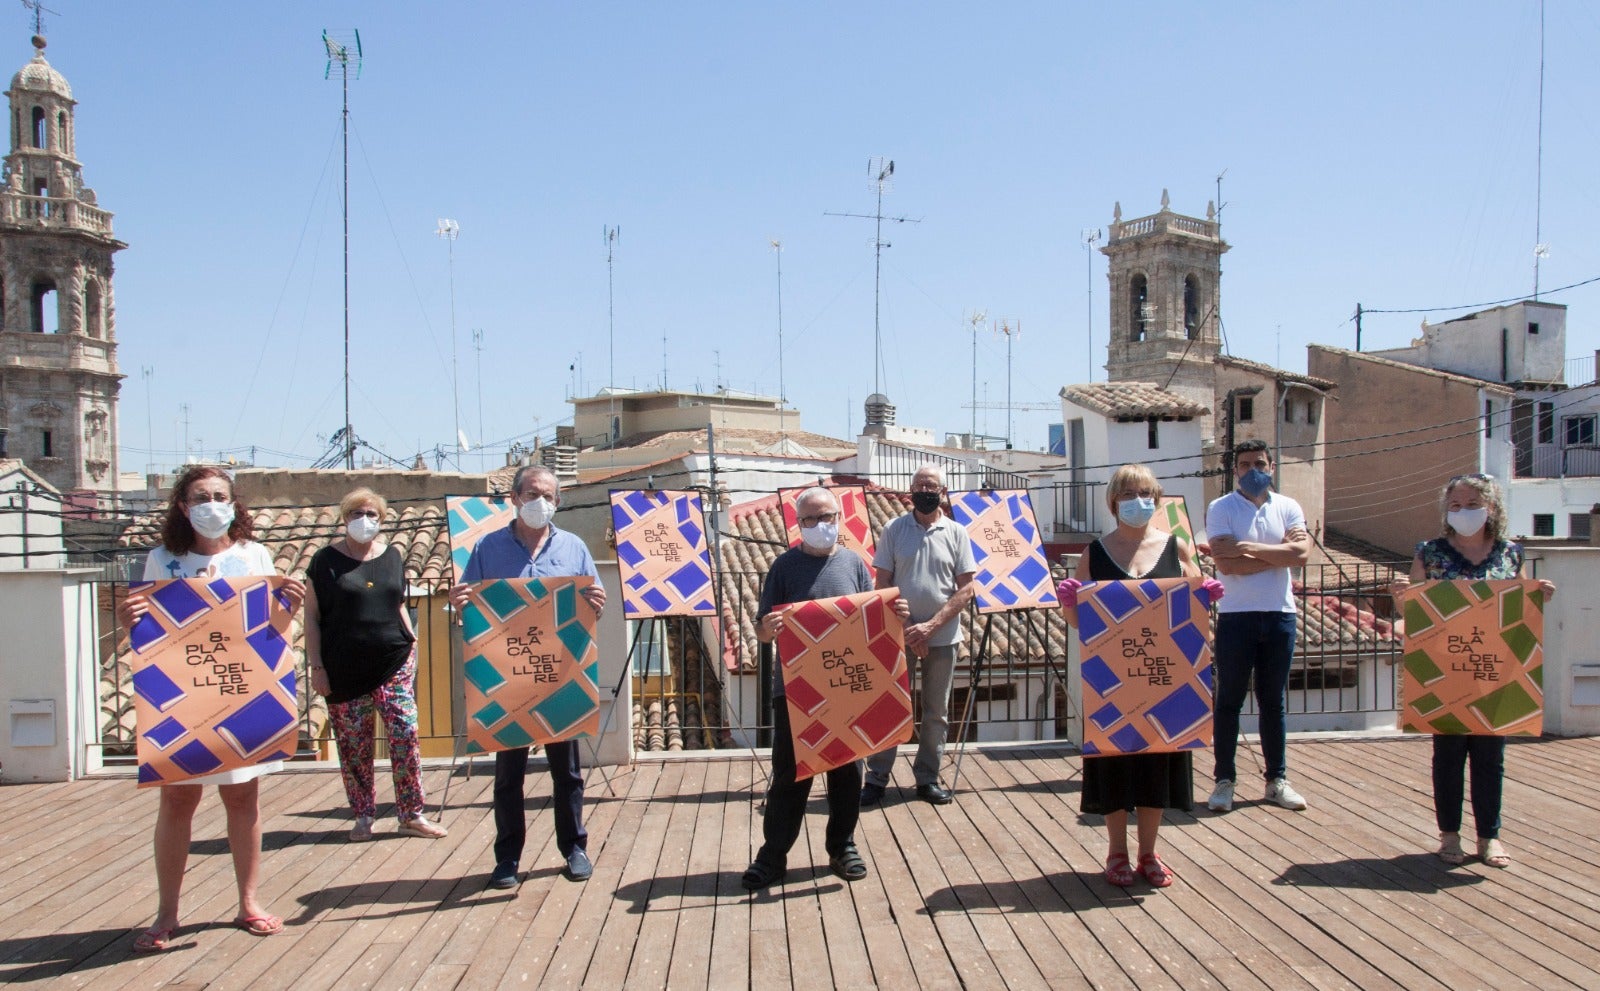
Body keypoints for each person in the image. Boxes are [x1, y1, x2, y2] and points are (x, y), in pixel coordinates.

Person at [120, 465, 305, 952]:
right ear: (183, 506)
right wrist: (129, 619)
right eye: (201, 496)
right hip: (185, 699)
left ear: (234, 503)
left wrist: (290, 605)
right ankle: (167, 913)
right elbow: (150, 636)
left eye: (220, 495)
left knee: (244, 801)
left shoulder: (255, 555)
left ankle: (249, 903)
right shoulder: (162, 559)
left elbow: (274, 631)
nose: (211, 503)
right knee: (177, 801)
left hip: (240, 696)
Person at [741, 486, 909, 890]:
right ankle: (773, 855)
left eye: (827, 517)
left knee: (847, 772)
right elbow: (762, 632)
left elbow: (869, 620)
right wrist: (769, 628)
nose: (820, 526)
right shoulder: (783, 567)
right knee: (790, 774)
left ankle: (842, 846)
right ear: (798, 525)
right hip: (796, 691)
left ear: (839, 519)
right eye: (810, 519)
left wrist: (895, 613)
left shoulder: (854, 564)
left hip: (847, 686)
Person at [448, 465, 606, 889]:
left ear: (558, 501)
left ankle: (574, 848)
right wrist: (459, 600)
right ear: (515, 498)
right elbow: (469, 606)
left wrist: (596, 600)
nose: (541, 502)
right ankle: (507, 859)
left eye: (550, 496)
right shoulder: (487, 547)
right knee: (508, 776)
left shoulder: (573, 547)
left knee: (567, 772)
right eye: (533, 493)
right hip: (507, 678)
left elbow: (591, 601)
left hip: (559, 675)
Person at [1059, 464, 1214, 887]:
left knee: (1157, 764)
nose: (1137, 501)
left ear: (1157, 498)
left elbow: (1194, 607)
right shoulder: (1096, 552)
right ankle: (1116, 853)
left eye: (1144, 492)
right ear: (1113, 502)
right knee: (1113, 764)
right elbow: (1077, 621)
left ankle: (1148, 852)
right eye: (1127, 494)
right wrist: (1068, 600)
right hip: (1112, 682)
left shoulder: (1176, 548)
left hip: (1164, 679)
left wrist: (1207, 594)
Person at [1389, 473, 1555, 869]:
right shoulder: (1429, 553)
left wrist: (1540, 596)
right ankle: (1449, 836)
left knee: (1489, 756)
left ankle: (1489, 838)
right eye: (1456, 505)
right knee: (1447, 754)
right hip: (1445, 670)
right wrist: (1400, 598)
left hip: (1493, 672)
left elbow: (1521, 608)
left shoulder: (1510, 554)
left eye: (1472, 504)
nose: (1463, 512)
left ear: (1492, 508)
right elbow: (1410, 612)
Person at [303, 488, 447, 843]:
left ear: (382, 521)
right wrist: (317, 667)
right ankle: (364, 815)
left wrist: (412, 642)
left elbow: (397, 602)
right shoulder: (324, 562)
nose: (363, 520)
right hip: (343, 668)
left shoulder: (393, 556)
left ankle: (412, 814)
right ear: (344, 518)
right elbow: (311, 616)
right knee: (354, 745)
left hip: (393, 660)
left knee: (405, 734)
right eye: (356, 513)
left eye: (371, 514)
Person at [1204, 439, 1311, 813]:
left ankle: (1276, 779)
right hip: (1236, 616)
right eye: (1245, 464)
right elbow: (1227, 564)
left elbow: (1302, 553)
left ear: (1271, 467)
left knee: (1273, 702)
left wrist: (1248, 548)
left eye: (1259, 464)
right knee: (1229, 701)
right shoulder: (1221, 508)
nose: (1253, 471)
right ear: (1235, 470)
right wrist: (1278, 555)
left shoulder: (1288, 506)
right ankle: (1224, 780)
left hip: (1280, 614)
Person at [862, 465, 975, 807]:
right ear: (911, 489)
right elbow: (882, 583)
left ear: (942, 490)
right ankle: (877, 777)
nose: (925, 489)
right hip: (898, 635)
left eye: (931, 485)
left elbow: (966, 588)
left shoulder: (957, 532)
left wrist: (930, 627)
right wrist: (910, 629)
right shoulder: (894, 529)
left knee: (936, 711)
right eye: (919, 484)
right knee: (889, 707)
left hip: (943, 637)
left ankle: (927, 778)